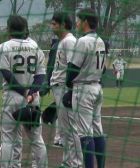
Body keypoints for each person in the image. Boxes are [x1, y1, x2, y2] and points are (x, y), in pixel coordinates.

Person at [0, 15, 47, 168]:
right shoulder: (35, 46)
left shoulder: (4, 46)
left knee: (8, 139)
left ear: (9, 28)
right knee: (37, 139)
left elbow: (7, 76)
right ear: (25, 28)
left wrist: (24, 92)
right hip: (33, 98)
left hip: (12, 97)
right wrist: (31, 93)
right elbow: (40, 75)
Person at [63, 8, 107, 168]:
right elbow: (104, 69)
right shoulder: (100, 40)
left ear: (86, 22)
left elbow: (72, 69)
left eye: (79, 19)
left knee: (84, 134)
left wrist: (69, 87)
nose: (77, 22)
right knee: (97, 130)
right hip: (97, 88)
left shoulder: (82, 41)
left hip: (83, 90)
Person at [49, 11, 83, 167]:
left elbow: (73, 66)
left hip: (64, 87)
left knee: (70, 129)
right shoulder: (63, 41)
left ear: (63, 25)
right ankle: (68, 162)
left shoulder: (69, 41)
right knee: (64, 130)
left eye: (54, 23)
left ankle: (75, 163)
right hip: (59, 87)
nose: (52, 26)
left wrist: (70, 91)